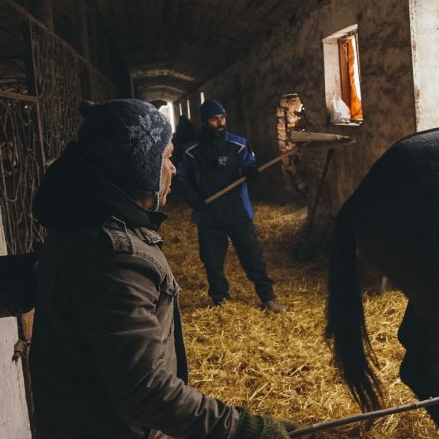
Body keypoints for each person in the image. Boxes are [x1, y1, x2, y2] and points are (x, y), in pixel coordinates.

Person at [30, 99, 296, 439]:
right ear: (139, 166)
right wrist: (245, 428)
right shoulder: (116, 257)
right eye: (166, 157)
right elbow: (145, 391)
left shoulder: (83, 221)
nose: (171, 169)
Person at [173, 99, 282, 312]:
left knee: (252, 256)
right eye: (214, 119)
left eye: (222, 117)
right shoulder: (190, 151)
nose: (220, 122)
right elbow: (180, 178)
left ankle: (267, 297)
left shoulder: (238, 144)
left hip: (237, 212)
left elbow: (249, 164)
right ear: (204, 122)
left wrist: (251, 172)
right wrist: (193, 199)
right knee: (212, 261)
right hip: (209, 215)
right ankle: (220, 300)